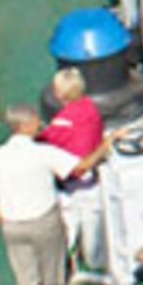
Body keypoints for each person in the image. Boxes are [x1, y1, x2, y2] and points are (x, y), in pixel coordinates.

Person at [0, 103, 119, 285]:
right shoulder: (43, 153)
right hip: (44, 221)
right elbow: (81, 166)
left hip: (13, 226)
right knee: (53, 269)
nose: (38, 122)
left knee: (25, 278)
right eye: (34, 119)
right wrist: (107, 144)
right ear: (25, 126)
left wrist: (4, 220)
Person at [38, 69, 106, 267]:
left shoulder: (62, 122)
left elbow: (45, 142)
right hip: (93, 173)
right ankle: (96, 261)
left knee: (69, 223)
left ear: (60, 94)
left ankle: (66, 264)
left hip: (72, 180)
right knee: (93, 223)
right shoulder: (90, 107)